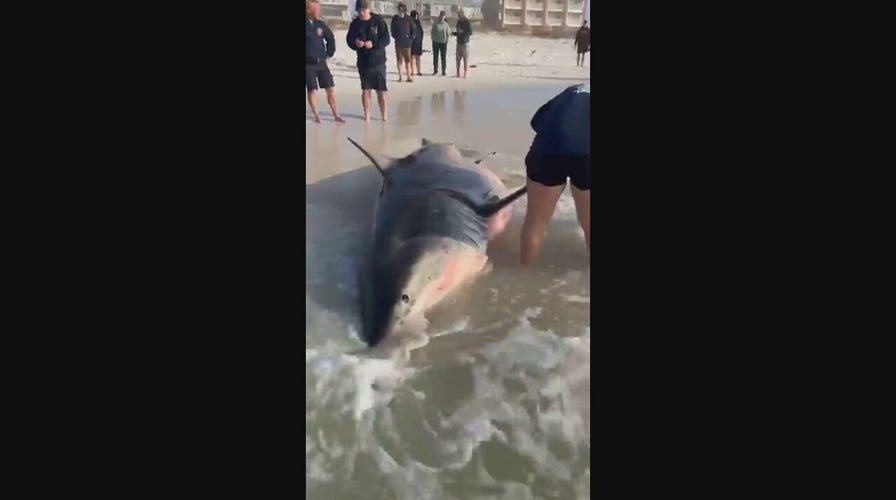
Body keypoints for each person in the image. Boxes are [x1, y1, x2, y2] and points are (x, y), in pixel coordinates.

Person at [520, 84, 591, 266]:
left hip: (546, 150)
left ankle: (524, 276)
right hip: (586, 155)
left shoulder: (572, 90)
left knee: (536, 222)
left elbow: (536, 122)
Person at [346, 0, 390, 122]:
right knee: (366, 90)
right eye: (359, 10)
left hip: (378, 61)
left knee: (381, 90)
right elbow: (349, 40)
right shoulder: (355, 24)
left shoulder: (378, 21)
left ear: (369, 9)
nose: (361, 13)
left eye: (363, 10)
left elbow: (386, 39)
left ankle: (384, 116)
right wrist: (355, 43)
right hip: (363, 62)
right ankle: (367, 116)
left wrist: (374, 44)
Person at [305, 0, 344, 123]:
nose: (319, 11)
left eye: (319, 9)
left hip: (322, 63)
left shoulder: (321, 24)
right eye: (316, 9)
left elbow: (330, 39)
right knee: (312, 90)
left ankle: (336, 115)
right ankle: (317, 116)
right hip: (308, 64)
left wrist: (329, 54)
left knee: (330, 89)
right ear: (308, 10)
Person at [390, 2, 415, 82]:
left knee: (407, 61)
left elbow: (413, 30)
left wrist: (410, 38)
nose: (400, 10)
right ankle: (400, 76)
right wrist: (396, 37)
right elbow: (392, 30)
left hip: (407, 44)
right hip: (398, 43)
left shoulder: (409, 19)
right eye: (399, 8)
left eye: (402, 8)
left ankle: (408, 76)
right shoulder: (395, 18)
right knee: (399, 60)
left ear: (404, 9)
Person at [451, 9, 473, 78]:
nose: (458, 16)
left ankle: (465, 74)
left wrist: (462, 32)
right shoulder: (459, 22)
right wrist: (454, 33)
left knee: (465, 59)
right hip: (459, 42)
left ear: (462, 14)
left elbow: (471, 32)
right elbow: (458, 32)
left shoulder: (467, 22)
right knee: (457, 59)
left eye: (459, 14)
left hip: (465, 43)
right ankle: (458, 73)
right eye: (458, 14)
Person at [430, 10, 449, 76]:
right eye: (441, 16)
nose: (442, 17)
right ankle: (435, 70)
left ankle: (443, 71)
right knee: (435, 56)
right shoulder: (435, 23)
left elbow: (448, 33)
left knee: (443, 57)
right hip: (436, 42)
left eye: (443, 16)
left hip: (443, 43)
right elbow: (432, 32)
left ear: (444, 17)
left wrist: (447, 41)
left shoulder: (446, 24)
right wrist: (433, 39)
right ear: (439, 16)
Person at [409, 10, 424, 77]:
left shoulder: (418, 23)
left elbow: (421, 32)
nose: (417, 17)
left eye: (417, 15)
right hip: (412, 42)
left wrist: (421, 39)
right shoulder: (410, 22)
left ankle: (418, 71)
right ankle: (412, 71)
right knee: (412, 57)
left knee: (418, 57)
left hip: (418, 42)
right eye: (416, 15)